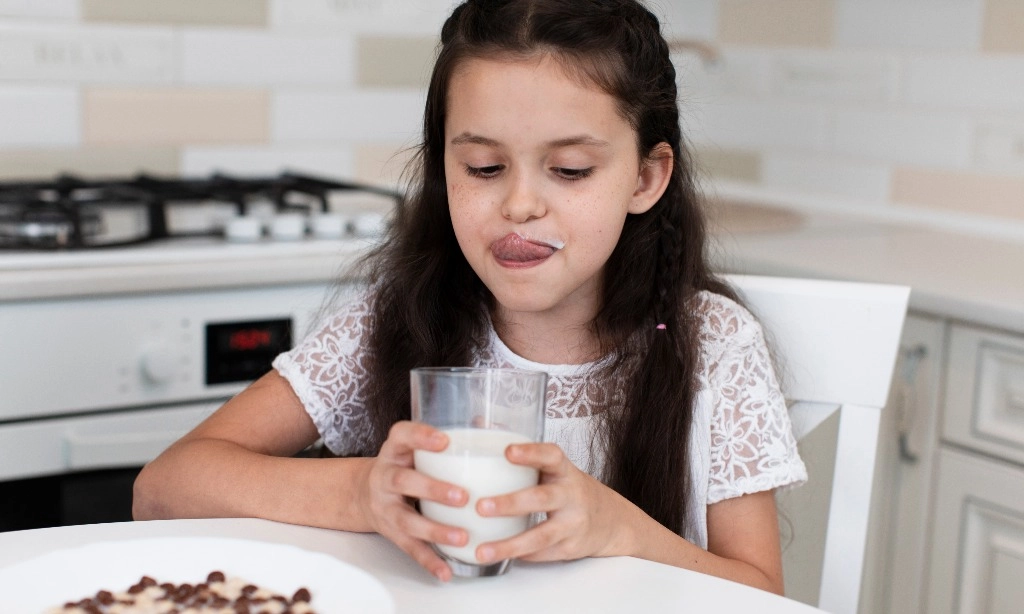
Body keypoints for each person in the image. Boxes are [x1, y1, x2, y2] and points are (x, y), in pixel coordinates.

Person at [133, 0, 806, 593]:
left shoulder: (714, 345)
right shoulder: (397, 320)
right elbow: (163, 489)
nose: (518, 204)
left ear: (645, 178)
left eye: (570, 170)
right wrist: (363, 494)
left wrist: (621, 531)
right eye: (483, 167)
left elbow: (762, 594)